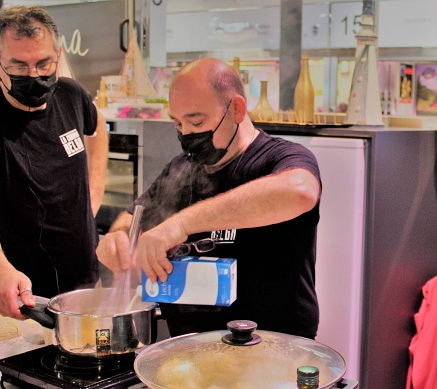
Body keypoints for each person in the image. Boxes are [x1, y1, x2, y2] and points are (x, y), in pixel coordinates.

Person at [97, 58, 321, 339]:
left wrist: (180, 225)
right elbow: (134, 216)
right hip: (190, 352)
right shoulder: (181, 168)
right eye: (177, 123)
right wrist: (117, 237)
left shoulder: (280, 158)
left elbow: (299, 191)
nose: (187, 134)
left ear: (237, 109)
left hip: (272, 352)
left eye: (196, 120)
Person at [0, 6, 108, 320]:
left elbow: (98, 127)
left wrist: (94, 189)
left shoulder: (71, 95)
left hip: (86, 287)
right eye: (19, 66)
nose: (34, 75)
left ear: (57, 54)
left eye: (43, 63)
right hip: (22, 300)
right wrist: (2, 275)